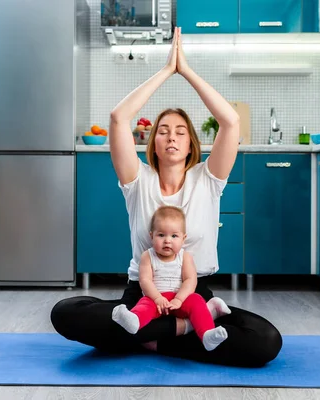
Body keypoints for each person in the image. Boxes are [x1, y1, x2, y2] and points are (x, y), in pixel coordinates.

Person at [51, 26, 283, 367]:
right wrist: (164, 71)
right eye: (163, 131)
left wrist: (185, 71)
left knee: (266, 340)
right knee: (65, 312)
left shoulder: (208, 179)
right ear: (153, 143)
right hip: (143, 295)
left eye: (180, 132)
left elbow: (230, 122)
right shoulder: (137, 180)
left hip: (194, 295)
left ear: (191, 144)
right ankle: (184, 332)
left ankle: (145, 339)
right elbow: (118, 119)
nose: (171, 137)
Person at [112, 205, 232, 351]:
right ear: (151, 236)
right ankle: (134, 320)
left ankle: (207, 334)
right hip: (156, 300)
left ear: (183, 238)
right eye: (161, 235)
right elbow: (145, 281)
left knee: (196, 300)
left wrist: (179, 299)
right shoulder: (147, 256)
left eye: (174, 236)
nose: (167, 241)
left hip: (179, 300)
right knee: (144, 303)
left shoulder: (185, 257)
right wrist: (157, 298)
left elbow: (190, 280)